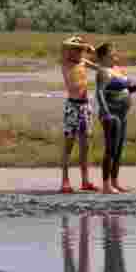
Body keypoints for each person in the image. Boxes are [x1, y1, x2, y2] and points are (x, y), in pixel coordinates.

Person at [94, 42, 136, 194]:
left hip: (123, 114)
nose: (116, 56)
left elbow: (124, 88)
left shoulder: (117, 70)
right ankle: (106, 185)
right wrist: (106, 113)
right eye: (112, 54)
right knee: (111, 149)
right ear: (104, 56)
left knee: (119, 150)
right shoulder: (103, 72)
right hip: (111, 114)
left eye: (116, 53)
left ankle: (115, 182)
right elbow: (100, 93)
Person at [59, 35, 101, 194]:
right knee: (68, 145)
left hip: (85, 106)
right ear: (69, 51)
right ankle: (65, 181)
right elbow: (64, 45)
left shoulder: (83, 61)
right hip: (72, 106)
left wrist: (91, 50)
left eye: (79, 50)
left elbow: (100, 66)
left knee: (85, 146)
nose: (77, 52)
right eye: (75, 49)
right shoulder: (66, 62)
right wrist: (78, 41)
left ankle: (85, 181)